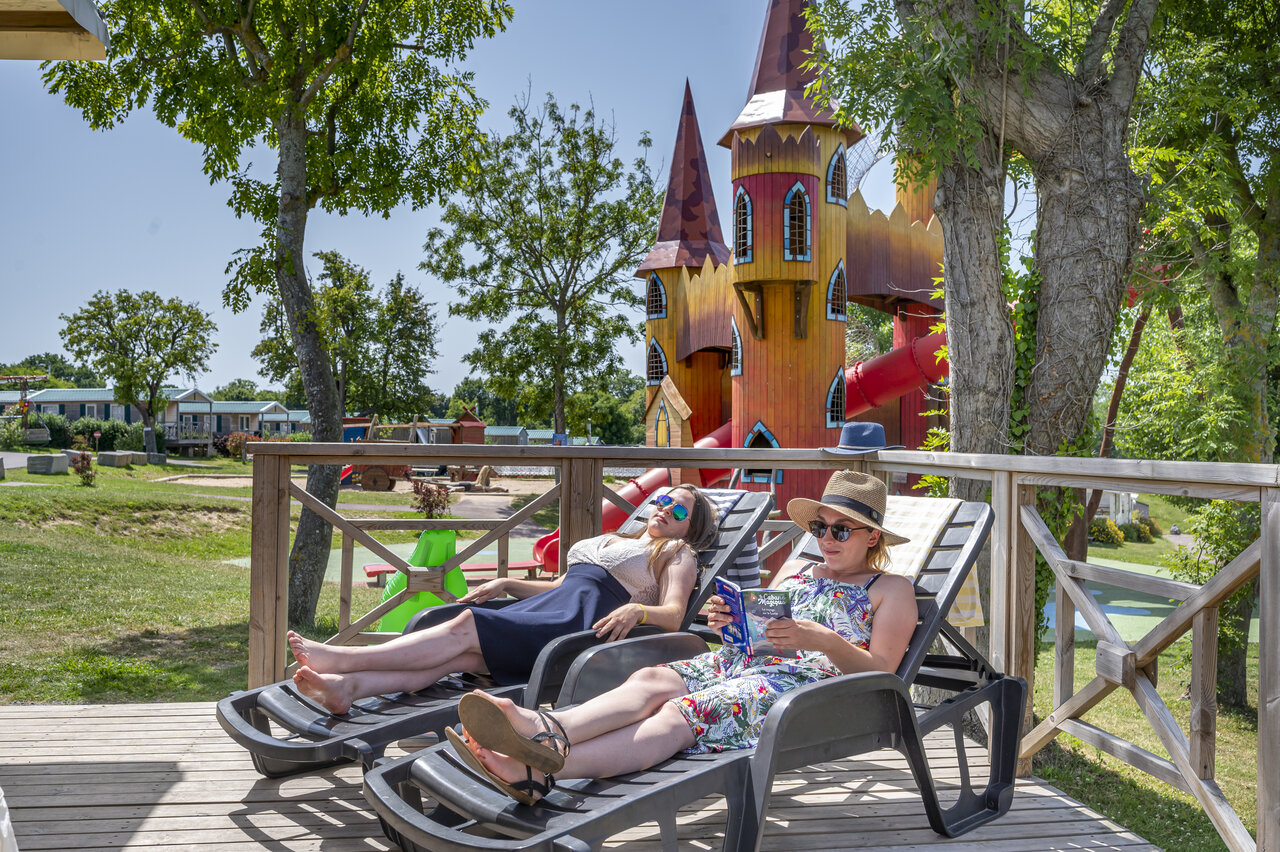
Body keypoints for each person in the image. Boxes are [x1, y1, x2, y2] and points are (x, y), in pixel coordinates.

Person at [450, 469, 918, 805]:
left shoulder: (891, 590)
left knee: (678, 714)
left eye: (840, 529)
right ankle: (544, 730)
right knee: (651, 679)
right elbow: (766, 631)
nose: (826, 538)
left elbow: (884, 673)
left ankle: (536, 768)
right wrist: (729, 623)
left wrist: (826, 641)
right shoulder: (799, 570)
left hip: (807, 689)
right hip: (745, 663)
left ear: (872, 537)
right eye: (819, 528)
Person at [287, 484, 719, 714]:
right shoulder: (617, 538)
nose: (665, 509)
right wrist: (509, 583)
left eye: (679, 510)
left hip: (574, 631)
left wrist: (638, 608)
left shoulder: (678, 553)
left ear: (689, 528)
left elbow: (675, 614)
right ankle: (348, 689)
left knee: (465, 624)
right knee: (457, 659)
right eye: (664, 500)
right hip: (552, 609)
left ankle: (342, 659)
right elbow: (561, 586)